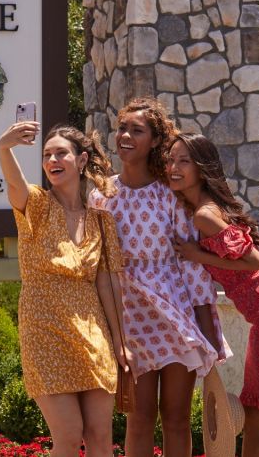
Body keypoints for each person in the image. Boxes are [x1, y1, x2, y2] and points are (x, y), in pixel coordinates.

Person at [88, 97, 224, 457]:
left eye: (137, 130)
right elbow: (95, 264)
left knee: (177, 418)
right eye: (122, 128)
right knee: (139, 417)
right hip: (128, 320)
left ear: (154, 141)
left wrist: (208, 332)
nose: (125, 135)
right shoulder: (100, 197)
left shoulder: (171, 194)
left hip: (174, 316)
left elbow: (192, 266)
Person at [168, 132, 259, 457]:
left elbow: (256, 260)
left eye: (183, 160)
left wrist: (198, 255)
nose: (174, 167)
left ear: (201, 169)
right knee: (253, 407)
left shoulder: (205, 214)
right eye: (171, 160)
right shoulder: (202, 208)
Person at [0, 119, 129, 457]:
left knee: (101, 437)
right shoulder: (37, 205)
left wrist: (119, 341)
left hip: (92, 332)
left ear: (81, 161)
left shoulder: (102, 219)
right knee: (69, 439)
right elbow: (15, 184)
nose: (52, 161)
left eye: (61, 154)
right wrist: (4, 147)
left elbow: (107, 282)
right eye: (47, 155)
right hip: (45, 331)